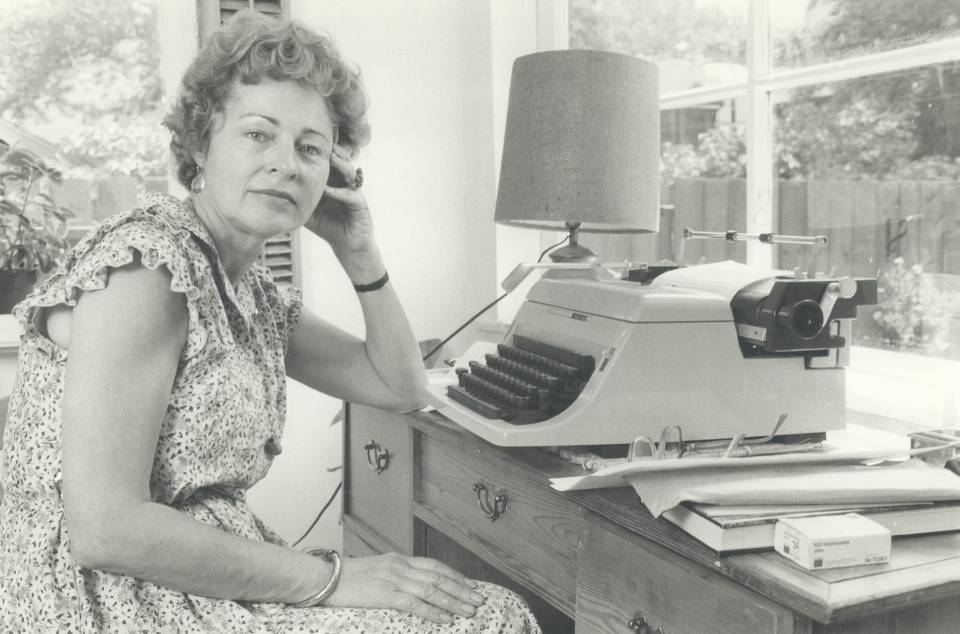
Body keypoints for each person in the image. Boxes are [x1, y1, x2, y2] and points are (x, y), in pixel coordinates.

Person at [0, 9, 541, 633]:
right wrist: (336, 577)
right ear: (200, 142)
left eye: (311, 148)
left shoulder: (250, 293)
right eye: (259, 134)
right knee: (484, 620)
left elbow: (402, 388)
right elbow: (105, 528)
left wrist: (358, 251)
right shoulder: (147, 269)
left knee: (487, 611)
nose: (288, 162)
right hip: (102, 597)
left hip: (200, 578)